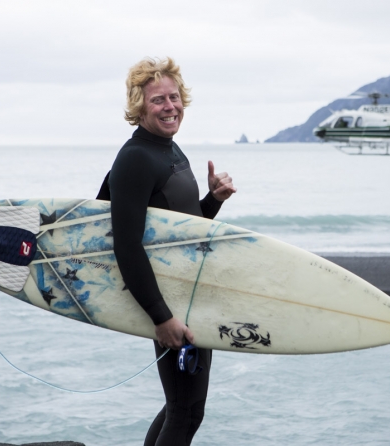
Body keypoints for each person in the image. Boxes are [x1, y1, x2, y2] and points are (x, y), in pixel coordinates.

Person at [96, 57, 236, 446]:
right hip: (168, 301)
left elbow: (183, 229)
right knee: (183, 410)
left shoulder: (171, 151)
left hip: (189, 295)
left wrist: (215, 200)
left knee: (187, 408)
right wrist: (161, 318)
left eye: (174, 97)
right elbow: (126, 245)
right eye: (158, 100)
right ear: (139, 106)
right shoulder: (136, 158)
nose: (170, 107)